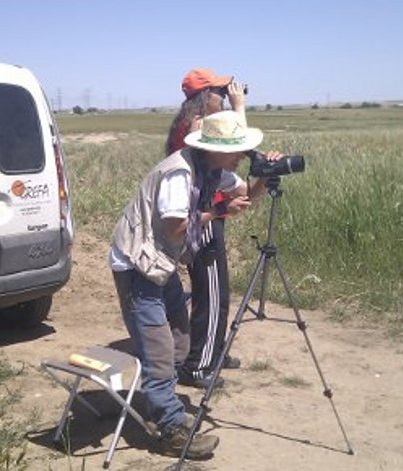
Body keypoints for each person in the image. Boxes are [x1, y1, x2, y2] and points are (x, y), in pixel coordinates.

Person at [109, 110, 281, 458]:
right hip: (137, 263)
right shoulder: (179, 173)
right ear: (213, 148)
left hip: (160, 262)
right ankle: (170, 429)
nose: (240, 156)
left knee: (180, 339)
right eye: (236, 150)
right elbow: (174, 228)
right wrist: (219, 212)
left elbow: (248, 195)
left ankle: (163, 401)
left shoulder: (214, 169)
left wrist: (263, 173)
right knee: (158, 349)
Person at [166, 68, 248, 389]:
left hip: (208, 212)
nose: (225, 97)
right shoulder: (196, 127)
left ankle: (212, 351)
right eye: (220, 92)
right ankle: (199, 365)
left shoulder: (192, 121)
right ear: (205, 96)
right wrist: (239, 107)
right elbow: (234, 141)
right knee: (212, 293)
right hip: (203, 215)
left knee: (212, 290)